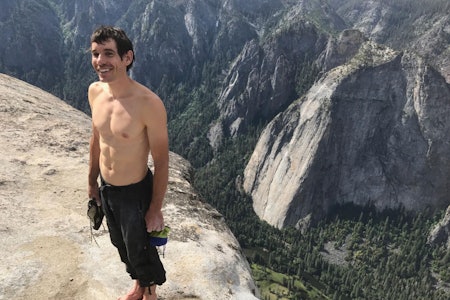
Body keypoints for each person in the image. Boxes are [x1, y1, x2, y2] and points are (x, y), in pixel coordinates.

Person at [87, 25, 168, 300]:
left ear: (127, 58)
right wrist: (91, 183)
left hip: (135, 192)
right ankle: (137, 285)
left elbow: (161, 159)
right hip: (108, 188)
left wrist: (155, 208)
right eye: (96, 54)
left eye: (108, 54)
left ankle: (150, 294)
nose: (100, 61)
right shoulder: (95, 92)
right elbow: (97, 139)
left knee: (141, 247)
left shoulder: (148, 103)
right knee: (120, 243)